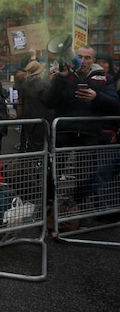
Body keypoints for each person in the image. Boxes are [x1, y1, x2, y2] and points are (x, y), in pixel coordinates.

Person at [42, 45, 120, 202]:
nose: (83, 61)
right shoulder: (63, 76)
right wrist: (62, 78)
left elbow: (115, 106)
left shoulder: (104, 78)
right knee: (52, 173)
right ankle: (49, 209)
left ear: (93, 61)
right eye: (80, 57)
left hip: (89, 134)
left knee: (85, 176)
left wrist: (97, 97)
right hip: (63, 132)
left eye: (87, 58)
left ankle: (78, 210)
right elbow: (48, 101)